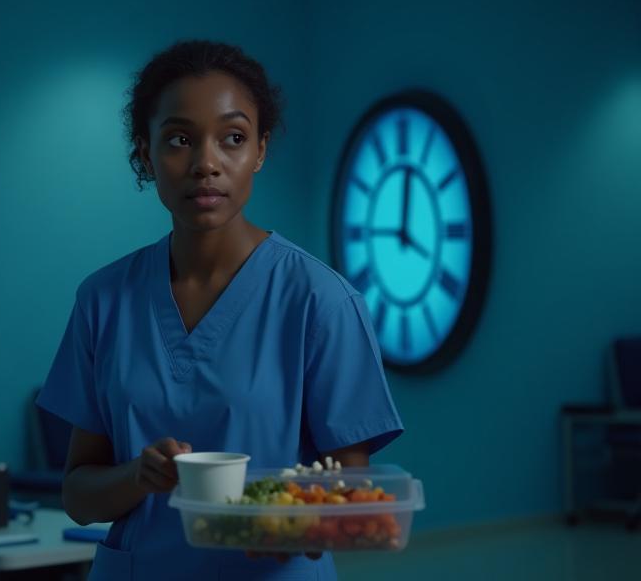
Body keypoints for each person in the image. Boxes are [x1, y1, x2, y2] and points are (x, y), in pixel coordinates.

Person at [36, 39, 404, 581]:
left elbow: (351, 496)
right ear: (146, 153)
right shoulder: (103, 299)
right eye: (179, 140)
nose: (206, 164)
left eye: (233, 138)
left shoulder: (320, 300)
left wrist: (276, 525)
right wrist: (138, 475)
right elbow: (78, 497)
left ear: (260, 150)